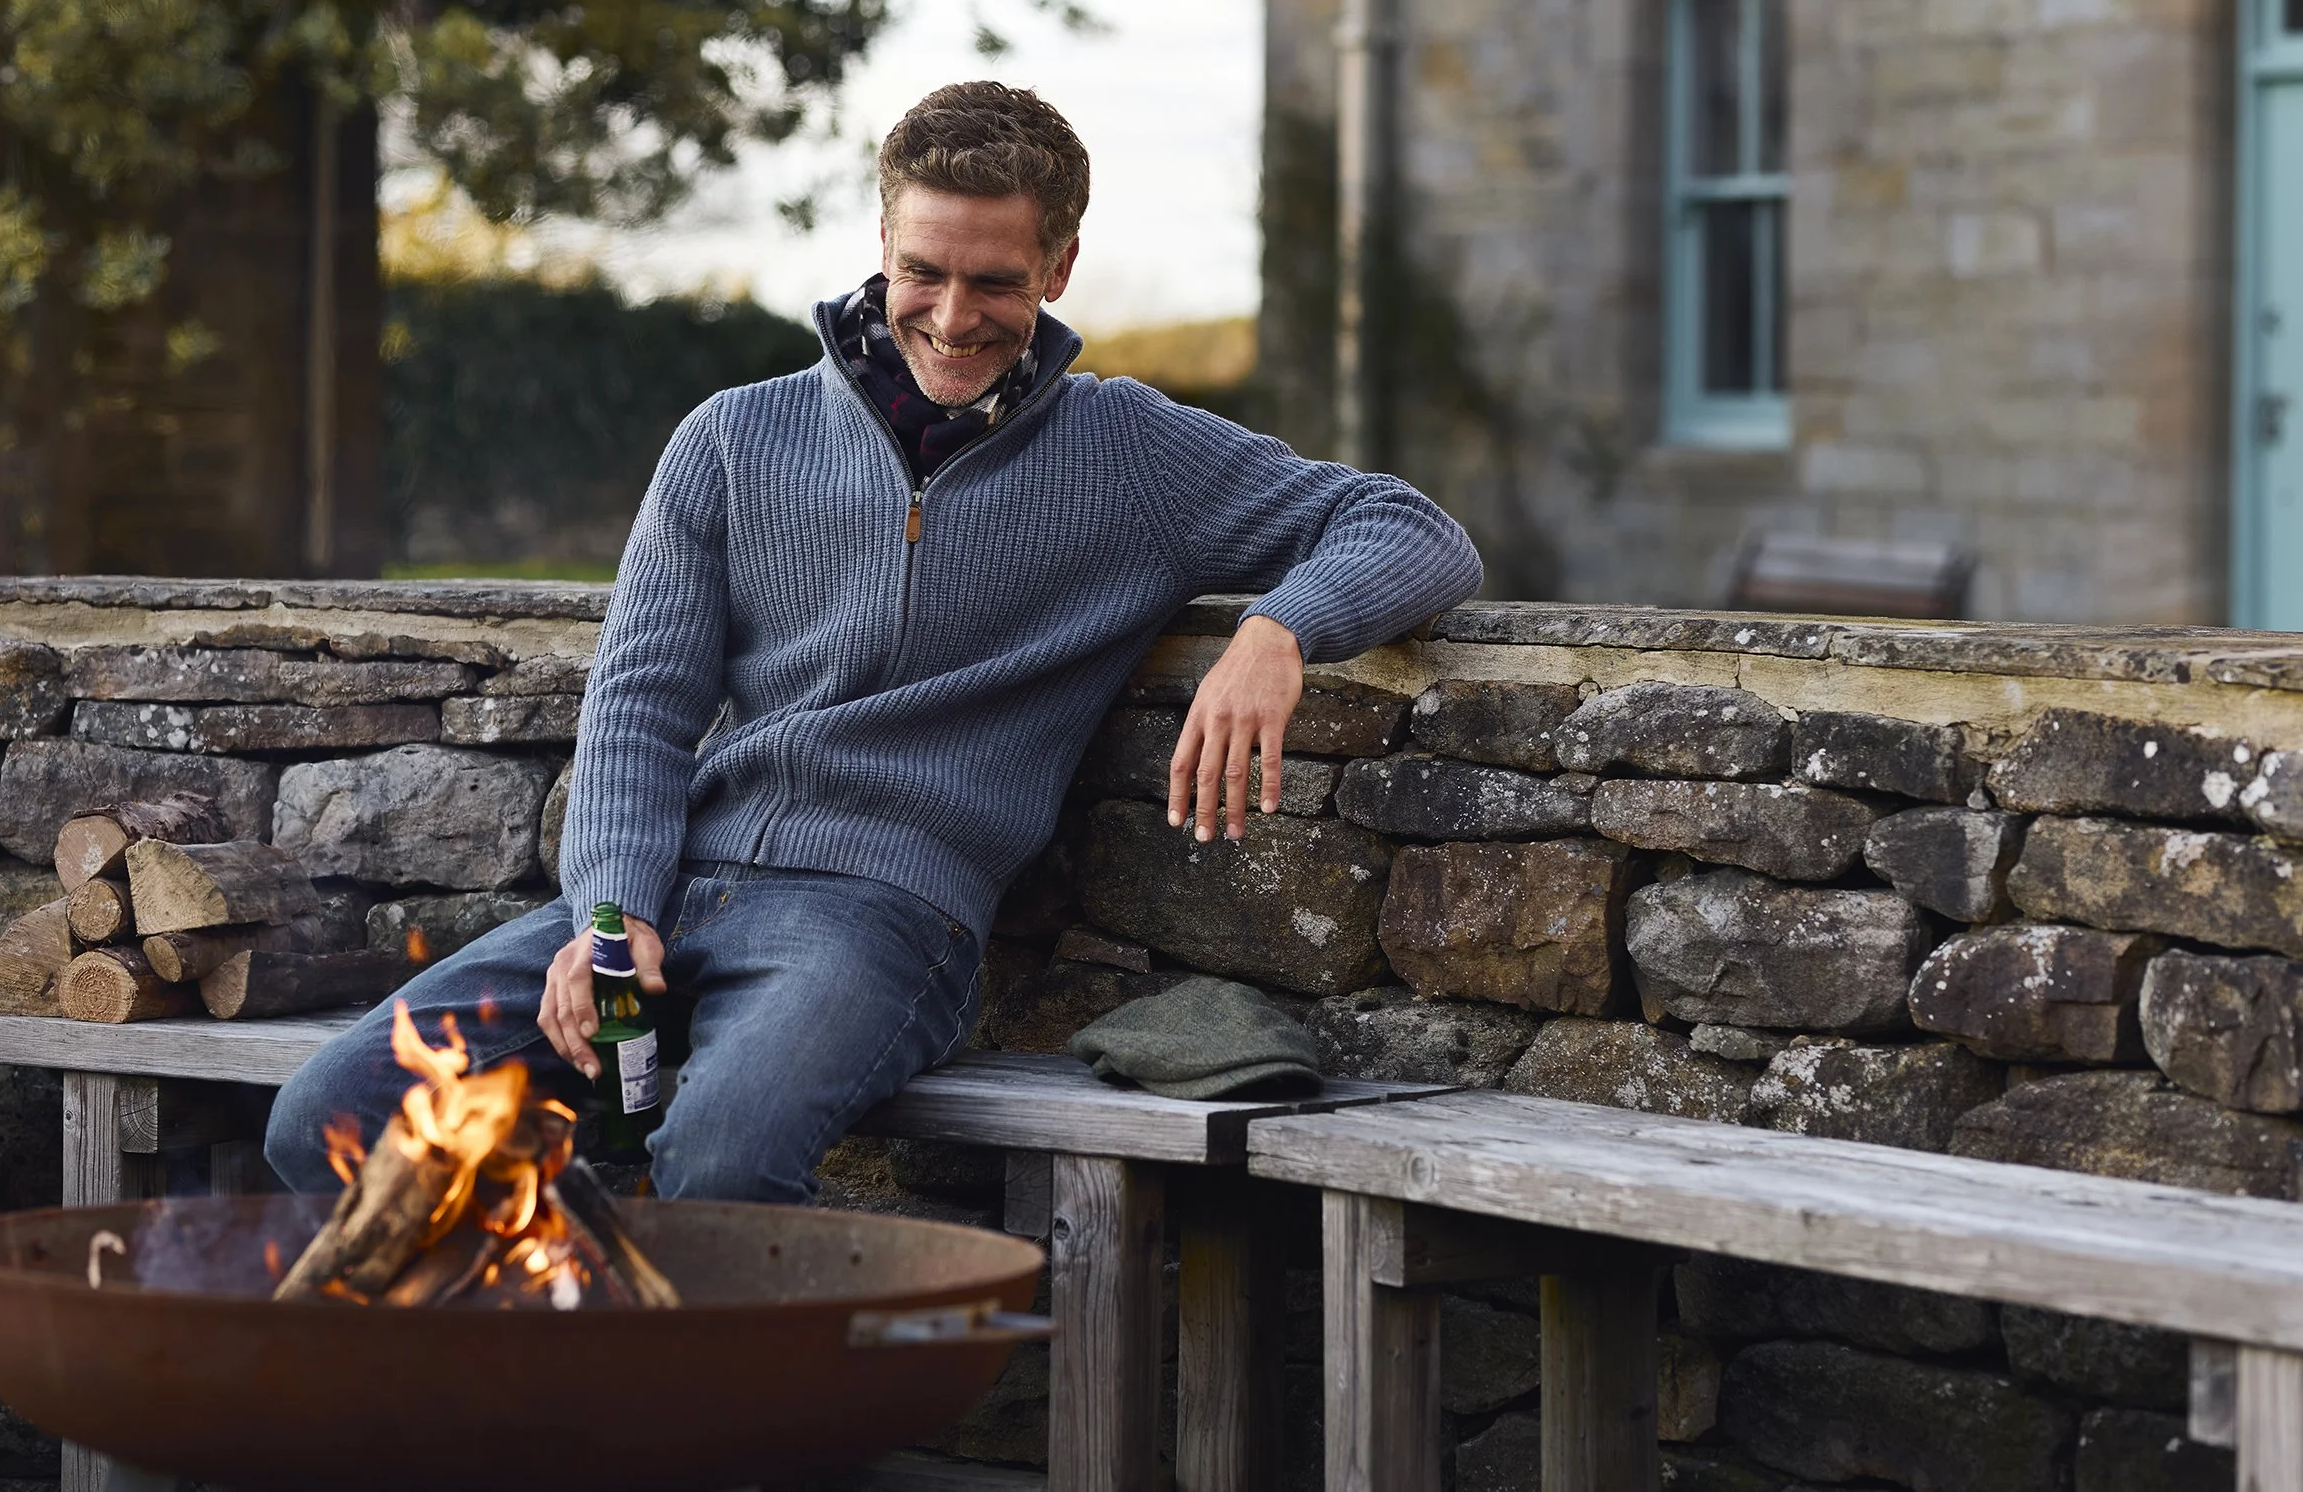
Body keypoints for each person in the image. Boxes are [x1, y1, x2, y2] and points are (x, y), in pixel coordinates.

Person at [265, 81, 1482, 1201]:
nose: (953, 317)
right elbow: (640, 705)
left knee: (722, 1161)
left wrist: (1280, 628)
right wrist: (611, 908)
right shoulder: (733, 439)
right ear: (882, 248)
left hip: (880, 918)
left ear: (1058, 265)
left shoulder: (1136, 456)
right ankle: (560, 1382)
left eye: (996, 280)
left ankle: (698, 1419)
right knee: (333, 1113)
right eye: (924, 270)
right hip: (675, 889)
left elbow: (1411, 526)